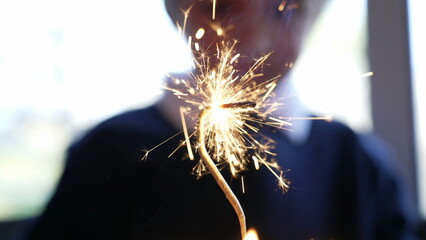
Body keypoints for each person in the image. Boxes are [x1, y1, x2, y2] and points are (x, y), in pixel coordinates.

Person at [27, 0, 420, 239]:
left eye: (283, 10)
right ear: (184, 14)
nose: (254, 34)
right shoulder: (109, 153)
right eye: (226, 7)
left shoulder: (358, 163)